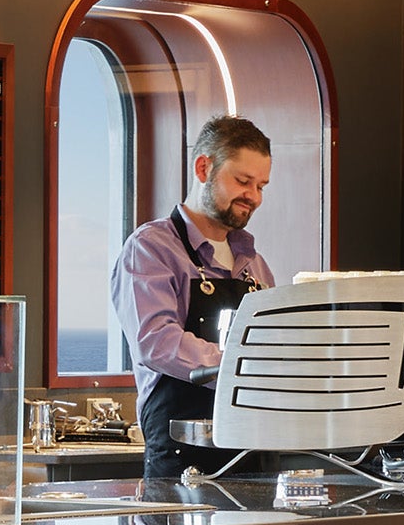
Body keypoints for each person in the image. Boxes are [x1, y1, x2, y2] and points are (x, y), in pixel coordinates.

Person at [110, 115, 278, 479]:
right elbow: (156, 341)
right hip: (182, 459)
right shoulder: (151, 249)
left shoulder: (256, 265)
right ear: (204, 167)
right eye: (243, 181)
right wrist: (239, 368)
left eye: (261, 185)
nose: (254, 196)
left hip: (253, 454)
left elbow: (273, 347)